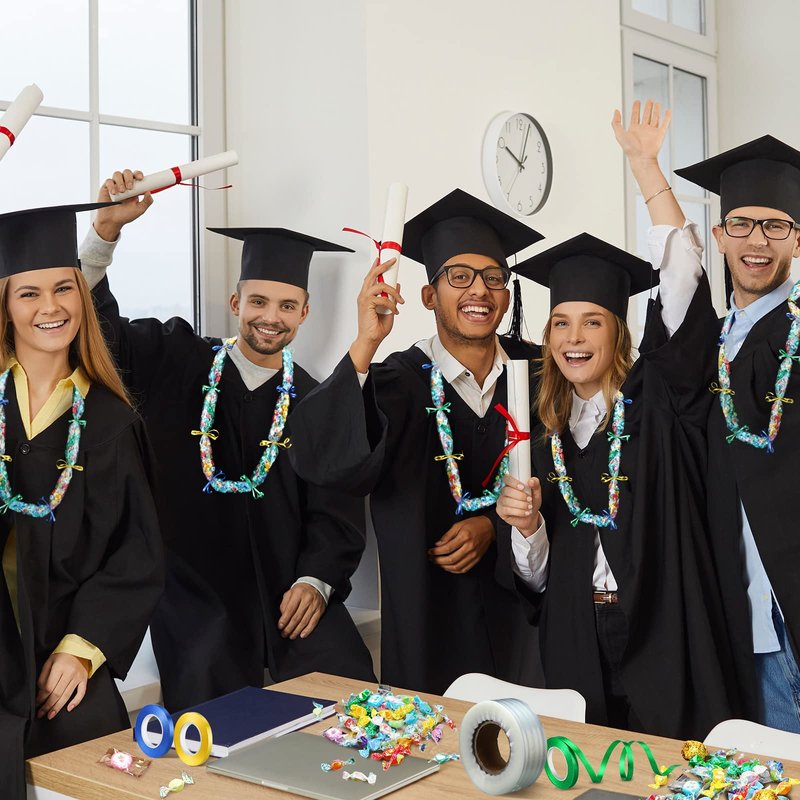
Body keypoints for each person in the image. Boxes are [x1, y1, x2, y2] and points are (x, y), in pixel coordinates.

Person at [80, 170, 375, 711]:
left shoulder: (316, 400)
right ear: (235, 302)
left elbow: (336, 508)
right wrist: (104, 233)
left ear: (305, 312)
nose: (271, 318)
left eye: (287, 306)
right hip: (197, 595)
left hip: (291, 594)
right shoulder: (175, 359)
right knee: (215, 716)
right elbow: (101, 335)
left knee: (350, 694)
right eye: (259, 301)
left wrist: (316, 580)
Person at [496, 101, 742, 738]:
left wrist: (646, 170)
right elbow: (537, 579)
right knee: (587, 768)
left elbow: (683, 283)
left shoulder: (658, 401)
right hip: (576, 636)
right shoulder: (542, 438)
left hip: (662, 631)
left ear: (619, 333)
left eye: (592, 322)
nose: (574, 338)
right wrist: (526, 529)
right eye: (560, 323)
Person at [287, 188, 545, 694]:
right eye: (459, 277)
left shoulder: (539, 376)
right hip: (429, 628)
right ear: (429, 297)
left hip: (526, 626)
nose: (480, 291)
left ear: (507, 295)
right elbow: (326, 461)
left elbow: (573, 478)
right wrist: (366, 341)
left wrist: (495, 527)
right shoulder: (395, 383)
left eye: (494, 278)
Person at [0, 203, 163, 798]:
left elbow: (136, 553)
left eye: (64, 288)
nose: (51, 307)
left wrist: (81, 649)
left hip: (63, 653)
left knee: (92, 774)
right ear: (6, 306)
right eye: (29, 293)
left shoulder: (111, 422)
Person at [675, 134, 800, 733]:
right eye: (743, 224)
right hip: (743, 611)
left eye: (776, 226)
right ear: (720, 236)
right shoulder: (713, 343)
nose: (757, 241)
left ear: (798, 239)